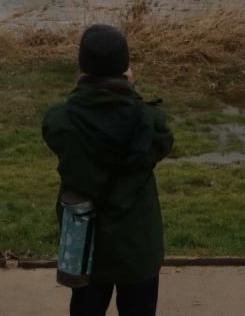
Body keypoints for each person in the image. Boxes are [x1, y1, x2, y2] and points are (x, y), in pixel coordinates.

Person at [42, 24, 174, 316]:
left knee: (86, 309)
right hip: (137, 243)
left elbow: (57, 133)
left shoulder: (60, 121)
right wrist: (129, 93)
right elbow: (161, 140)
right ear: (125, 67)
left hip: (84, 242)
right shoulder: (149, 121)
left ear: (82, 67)